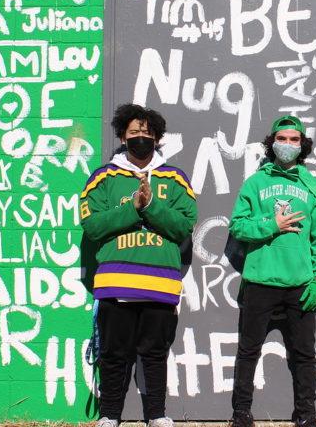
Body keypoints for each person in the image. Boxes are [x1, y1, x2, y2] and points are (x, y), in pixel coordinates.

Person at [80, 104, 198, 427]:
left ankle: (156, 415)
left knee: (155, 355)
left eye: (148, 134)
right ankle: (110, 415)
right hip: (116, 284)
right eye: (134, 133)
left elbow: (184, 226)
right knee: (114, 355)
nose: (141, 138)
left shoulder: (175, 179)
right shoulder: (103, 178)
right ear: (122, 136)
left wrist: (151, 206)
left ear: (158, 139)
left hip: (160, 286)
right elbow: (93, 226)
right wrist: (133, 208)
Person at [228, 116, 316, 427]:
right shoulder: (255, 183)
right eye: (282, 138)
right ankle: (241, 414)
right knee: (248, 350)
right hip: (260, 280)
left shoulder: (312, 187)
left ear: (303, 145)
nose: (287, 144)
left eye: (294, 139)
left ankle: (306, 415)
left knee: (303, 353)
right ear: (272, 142)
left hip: (300, 284)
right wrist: (271, 225)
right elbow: (237, 226)